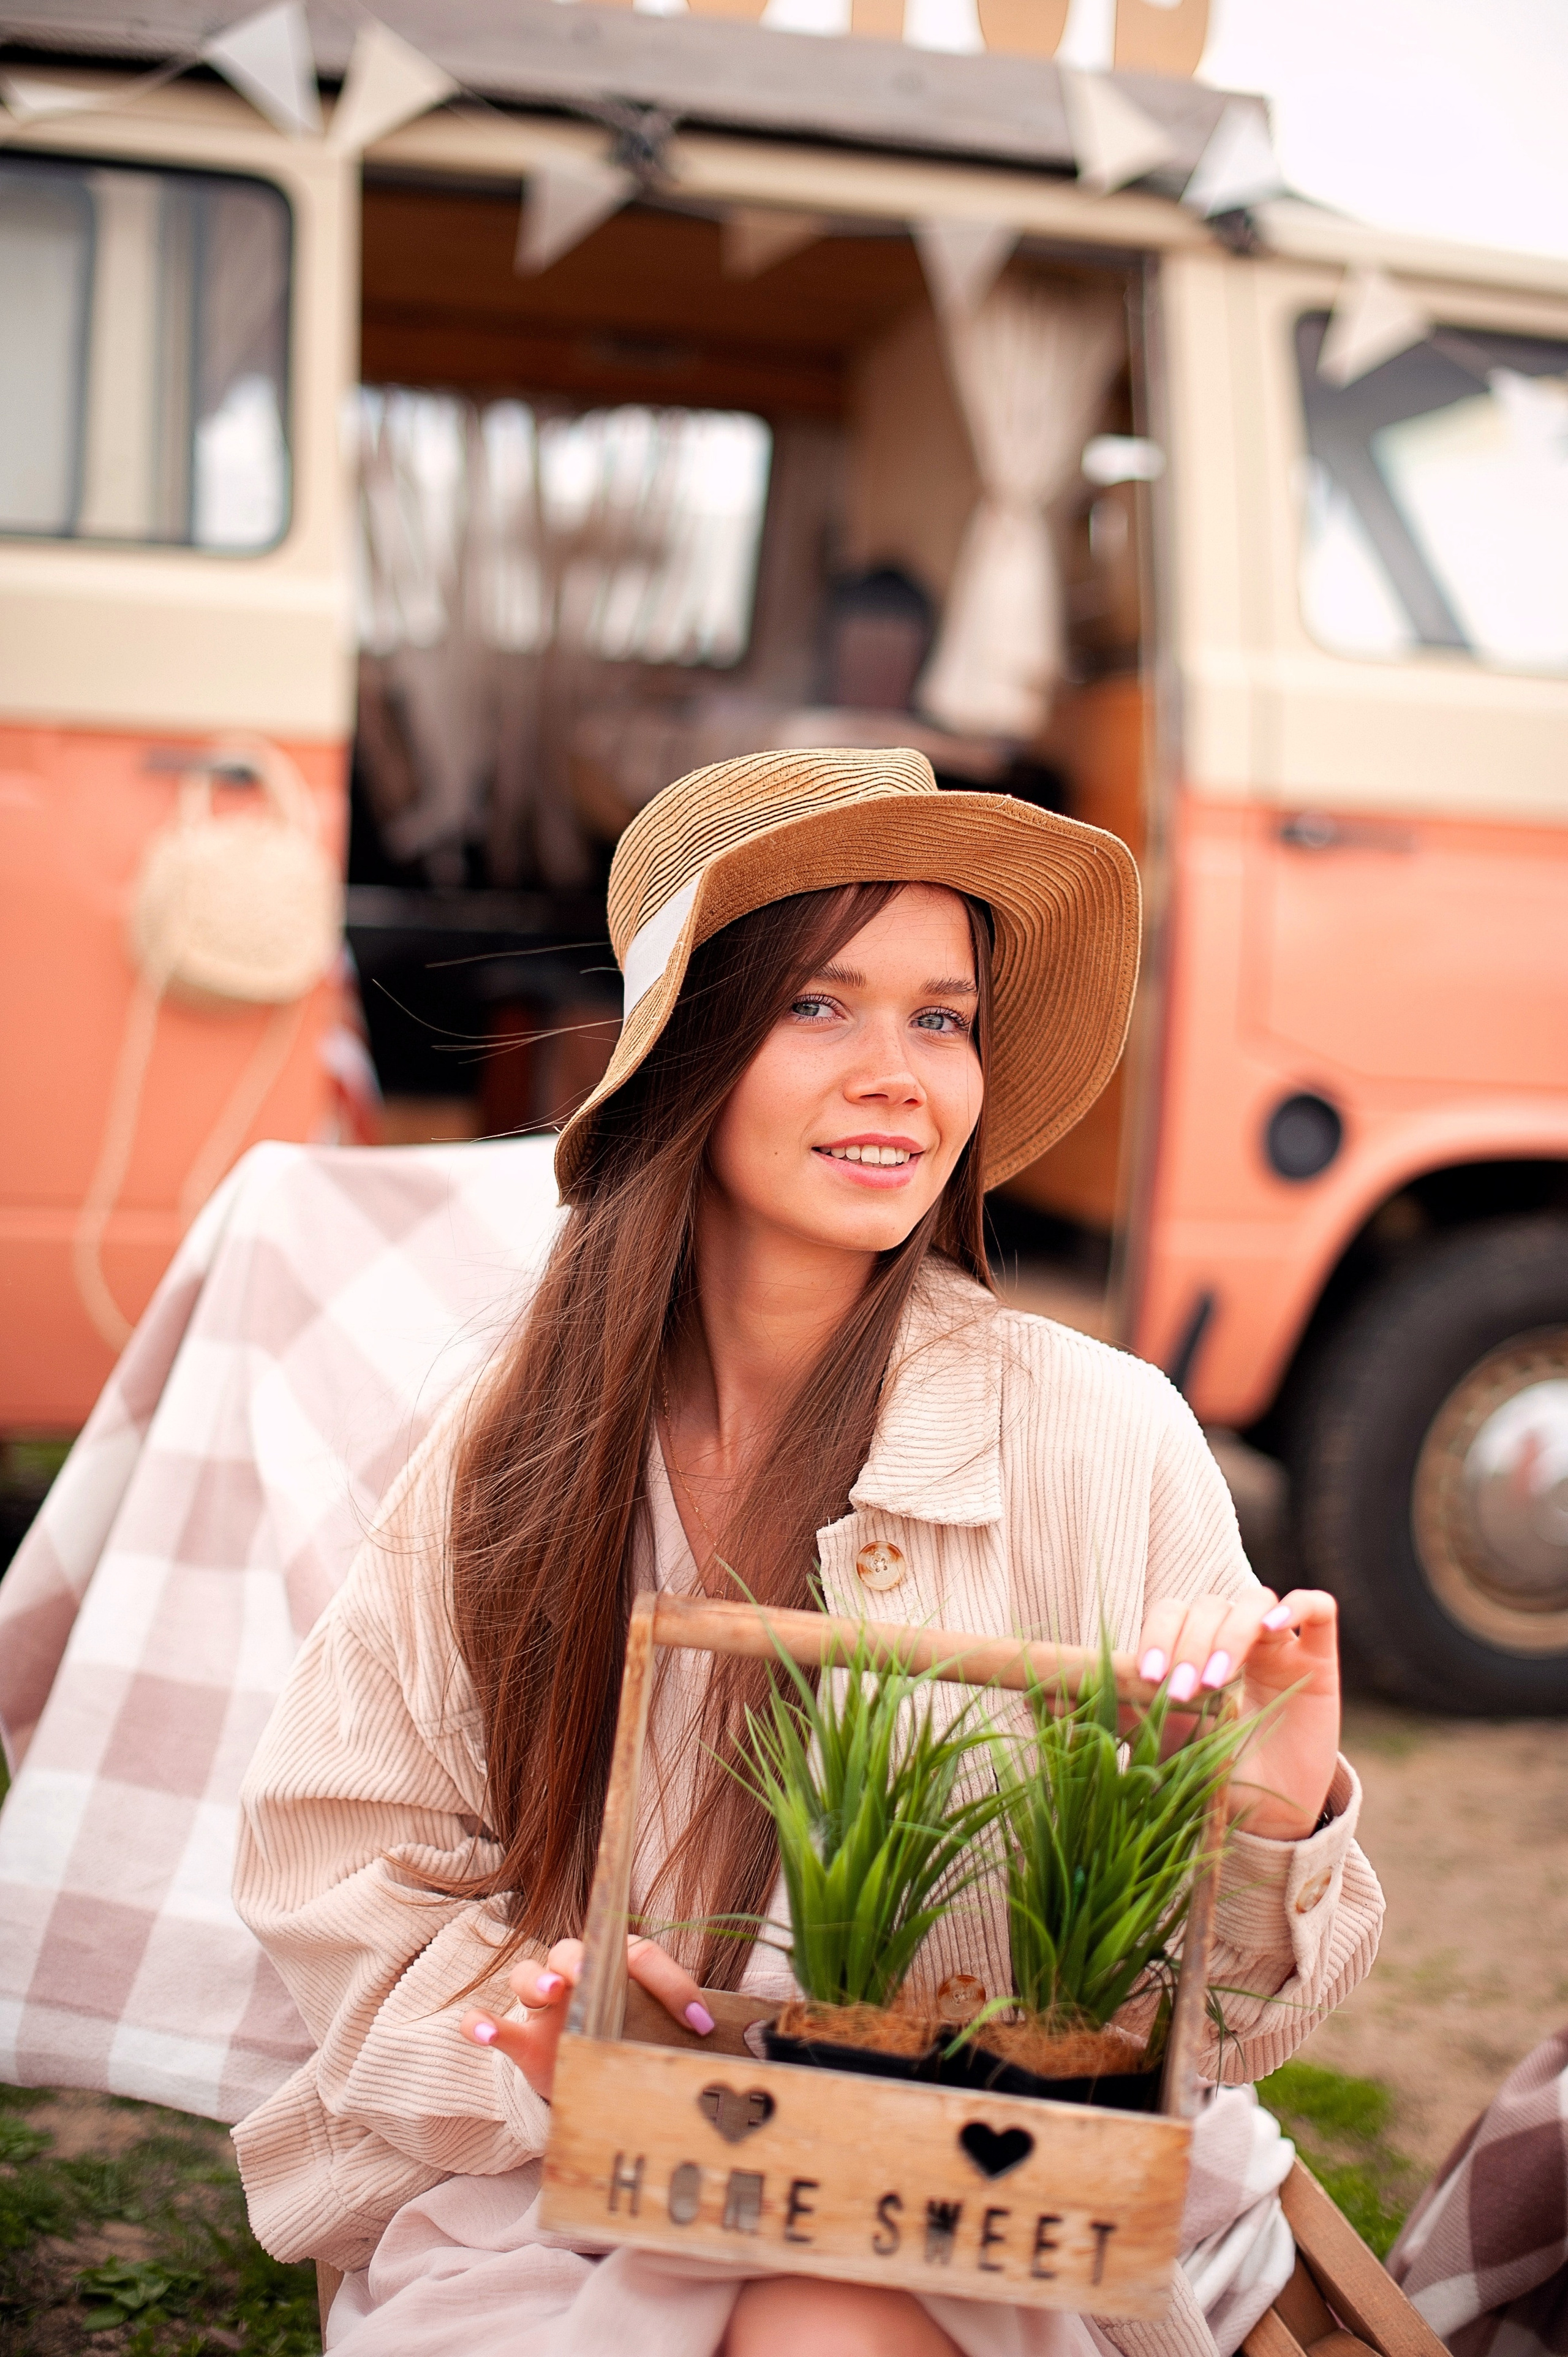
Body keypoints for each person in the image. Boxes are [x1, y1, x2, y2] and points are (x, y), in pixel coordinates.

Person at [232, 747, 1383, 2357]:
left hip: (968, 2200)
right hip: (559, 2186)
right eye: (821, 1007)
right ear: (687, 1055)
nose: (902, 1072)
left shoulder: (1102, 1434)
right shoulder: (517, 1458)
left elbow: (1226, 2024)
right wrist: (552, 2042)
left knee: (825, 2311)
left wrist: (1270, 1813)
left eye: (944, 1016)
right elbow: (341, 1869)